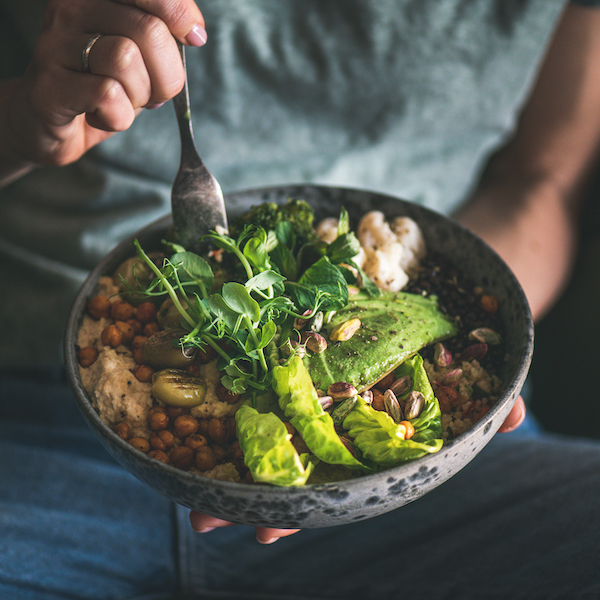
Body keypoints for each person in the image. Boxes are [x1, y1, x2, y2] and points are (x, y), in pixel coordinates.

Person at [1, 0, 600, 598]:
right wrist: (24, 121)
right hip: (35, 410)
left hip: (427, 487)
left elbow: (541, 180)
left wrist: (468, 362)